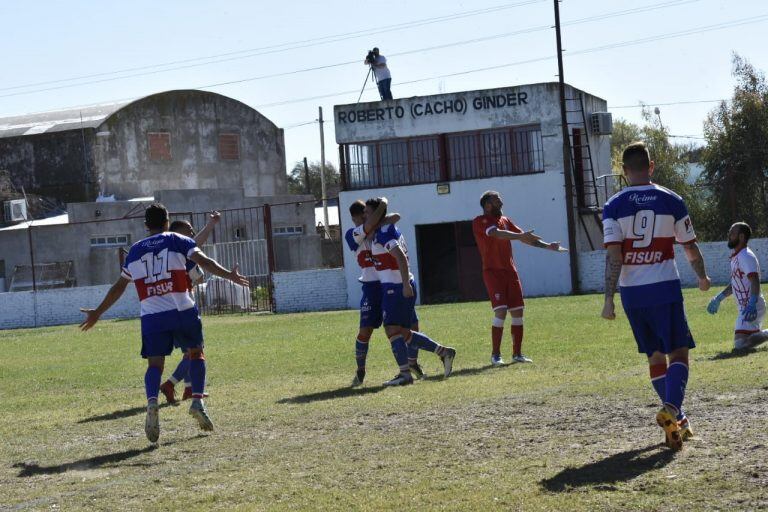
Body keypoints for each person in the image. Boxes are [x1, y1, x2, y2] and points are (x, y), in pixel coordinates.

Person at [80, 203, 249, 443]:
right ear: (167, 221)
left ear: (146, 225)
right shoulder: (177, 239)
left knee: (154, 365)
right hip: (181, 309)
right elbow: (205, 261)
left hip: (151, 315)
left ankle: (152, 403)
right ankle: (198, 401)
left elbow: (119, 287)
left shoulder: (135, 251)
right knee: (196, 353)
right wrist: (229, 275)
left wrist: (98, 311)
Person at [601, 141, 711, 451]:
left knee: (654, 356)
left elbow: (613, 255)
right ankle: (672, 410)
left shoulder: (612, 206)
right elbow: (689, 246)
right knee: (678, 353)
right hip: (664, 287)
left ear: (624, 171)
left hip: (632, 294)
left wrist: (609, 298)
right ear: (651, 166)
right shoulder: (672, 200)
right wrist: (701, 276)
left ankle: (681, 423)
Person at [355, 197, 455, 386]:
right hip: (393, 286)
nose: (365, 217)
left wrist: (405, 285)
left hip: (396, 286)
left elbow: (400, 255)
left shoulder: (383, 233)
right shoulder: (382, 229)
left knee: (393, 329)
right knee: (401, 331)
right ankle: (442, 353)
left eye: (368, 213)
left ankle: (406, 373)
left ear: (376, 214)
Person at [472, 191, 568, 366]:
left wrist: (549, 247)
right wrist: (519, 236)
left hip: (510, 272)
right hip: (493, 272)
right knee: (500, 312)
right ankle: (495, 355)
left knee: (518, 312)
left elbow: (525, 238)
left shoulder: (506, 220)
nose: (501, 201)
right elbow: (496, 233)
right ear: (488, 205)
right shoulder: (481, 221)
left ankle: (517, 354)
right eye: (497, 199)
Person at [345, 200, 419, 386]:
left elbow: (396, 216)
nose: (367, 220)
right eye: (362, 218)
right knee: (365, 331)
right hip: (371, 287)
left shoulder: (379, 229)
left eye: (368, 215)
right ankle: (360, 370)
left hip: (389, 283)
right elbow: (376, 223)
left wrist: (383, 217)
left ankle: (412, 364)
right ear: (355, 218)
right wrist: (384, 203)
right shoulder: (352, 234)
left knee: (410, 324)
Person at [159, 212, 221, 404]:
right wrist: (210, 224)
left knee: (189, 351)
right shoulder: (180, 252)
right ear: (176, 233)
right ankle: (170, 383)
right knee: (196, 350)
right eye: (188, 231)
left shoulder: (165, 252)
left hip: (169, 307)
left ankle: (189, 388)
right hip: (182, 308)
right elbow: (198, 243)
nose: (192, 234)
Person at [706, 222, 768, 350]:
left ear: (741, 237)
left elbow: (754, 280)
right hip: (747, 306)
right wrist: (719, 298)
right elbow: (735, 283)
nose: (729, 235)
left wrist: (752, 303)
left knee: (740, 345)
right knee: (743, 343)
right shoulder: (737, 256)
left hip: (751, 305)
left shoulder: (745, 255)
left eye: (732, 233)